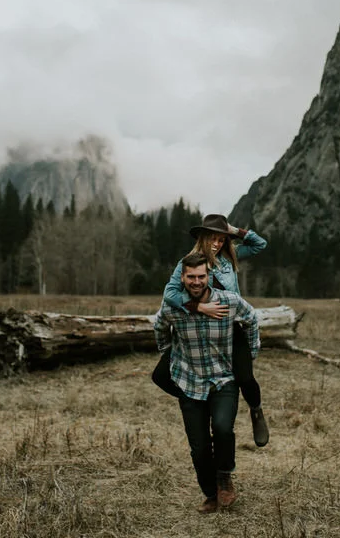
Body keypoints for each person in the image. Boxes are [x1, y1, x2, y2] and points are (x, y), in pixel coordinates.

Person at [153, 251, 260, 513]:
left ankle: (224, 478)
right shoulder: (173, 307)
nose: (196, 281)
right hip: (189, 382)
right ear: (183, 277)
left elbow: (251, 318)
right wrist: (168, 353)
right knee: (199, 448)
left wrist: (250, 353)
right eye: (191, 277)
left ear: (208, 276)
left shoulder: (228, 301)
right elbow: (159, 327)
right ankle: (211, 495)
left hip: (223, 379)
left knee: (223, 429)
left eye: (201, 276)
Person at [152, 214, 270, 447]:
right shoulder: (189, 263)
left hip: (229, 328)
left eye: (221, 239)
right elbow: (170, 294)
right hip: (195, 329)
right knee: (160, 376)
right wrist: (198, 307)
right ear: (202, 238)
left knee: (246, 378)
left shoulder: (229, 257)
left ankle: (256, 411)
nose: (216, 244)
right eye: (212, 239)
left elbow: (260, 244)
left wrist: (233, 230)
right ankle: (203, 400)